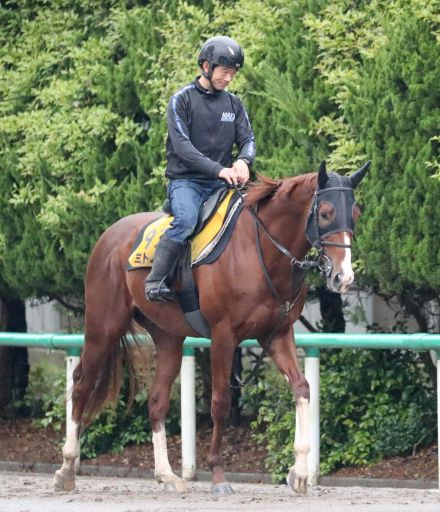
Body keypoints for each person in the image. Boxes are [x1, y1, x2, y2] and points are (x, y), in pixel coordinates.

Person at [145, 35, 256, 302]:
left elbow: (248, 140)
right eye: (225, 72)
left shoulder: (234, 104)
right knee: (185, 222)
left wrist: (243, 160)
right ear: (206, 67)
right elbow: (183, 148)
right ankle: (154, 281)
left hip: (223, 183)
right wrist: (219, 170)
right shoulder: (180, 101)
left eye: (233, 73)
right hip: (187, 183)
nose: (229, 79)